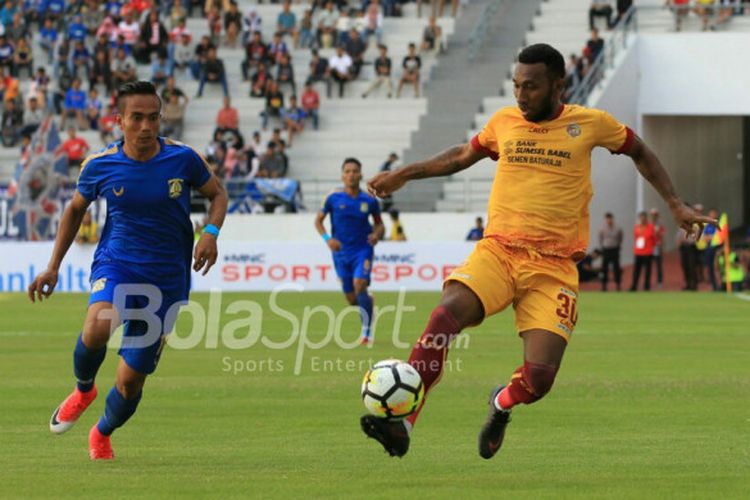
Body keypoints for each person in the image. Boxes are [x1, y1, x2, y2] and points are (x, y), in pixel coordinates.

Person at [360, 44, 714, 459]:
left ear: (558, 85)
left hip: (554, 266)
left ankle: (501, 404)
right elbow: (461, 155)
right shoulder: (504, 122)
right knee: (444, 315)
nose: (520, 95)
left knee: (539, 379)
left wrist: (673, 203)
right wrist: (403, 174)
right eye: (516, 85)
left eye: (531, 86)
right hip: (500, 250)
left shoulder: (591, 123)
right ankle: (404, 421)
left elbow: (639, 151)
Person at [27, 81, 228, 460]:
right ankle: (84, 389)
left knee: (130, 381)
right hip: (117, 265)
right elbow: (74, 210)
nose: (146, 127)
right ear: (119, 120)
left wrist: (211, 233)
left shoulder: (183, 158)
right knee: (97, 326)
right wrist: (53, 266)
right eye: (136, 118)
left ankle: (102, 432)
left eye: (153, 118)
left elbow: (217, 194)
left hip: (166, 280)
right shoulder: (100, 165)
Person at [315, 158, 385, 344]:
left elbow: (380, 225)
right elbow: (318, 222)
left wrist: (376, 235)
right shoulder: (332, 198)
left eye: (355, 171)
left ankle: (366, 333)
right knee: (352, 298)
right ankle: (368, 302)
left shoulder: (369, 199)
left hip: (363, 250)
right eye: (347, 171)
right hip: (340, 253)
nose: (351, 175)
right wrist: (327, 239)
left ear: (361, 175)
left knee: (360, 284)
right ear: (342, 175)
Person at [629, 211, 655, 291]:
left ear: (646, 218)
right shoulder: (636, 227)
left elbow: (653, 239)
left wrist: (651, 247)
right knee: (636, 271)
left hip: (647, 252)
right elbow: (635, 238)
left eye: (643, 217)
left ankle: (646, 287)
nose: (642, 219)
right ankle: (634, 286)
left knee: (647, 271)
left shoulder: (650, 227)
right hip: (638, 252)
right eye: (641, 217)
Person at [599, 212, 622, 291]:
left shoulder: (617, 228)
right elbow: (600, 239)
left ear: (612, 219)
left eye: (610, 218)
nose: (609, 220)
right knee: (604, 269)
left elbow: (620, 238)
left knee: (616, 268)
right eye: (607, 219)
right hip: (606, 250)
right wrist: (603, 247)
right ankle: (604, 286)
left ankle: (618, 285)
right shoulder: (602, 228)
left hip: (614, 250)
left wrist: (618, 246)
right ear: (606, 219)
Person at [650, 208, 665, 288]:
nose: (654, 216)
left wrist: (663, 246)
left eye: (655, 215)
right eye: (653, 215)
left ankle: (660, 281)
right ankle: (648, 281)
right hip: (650, 247)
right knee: (648, 264)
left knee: (659, 265)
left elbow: (662, 235)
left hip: (657, 246)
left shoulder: (660, 224)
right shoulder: (649, 224)